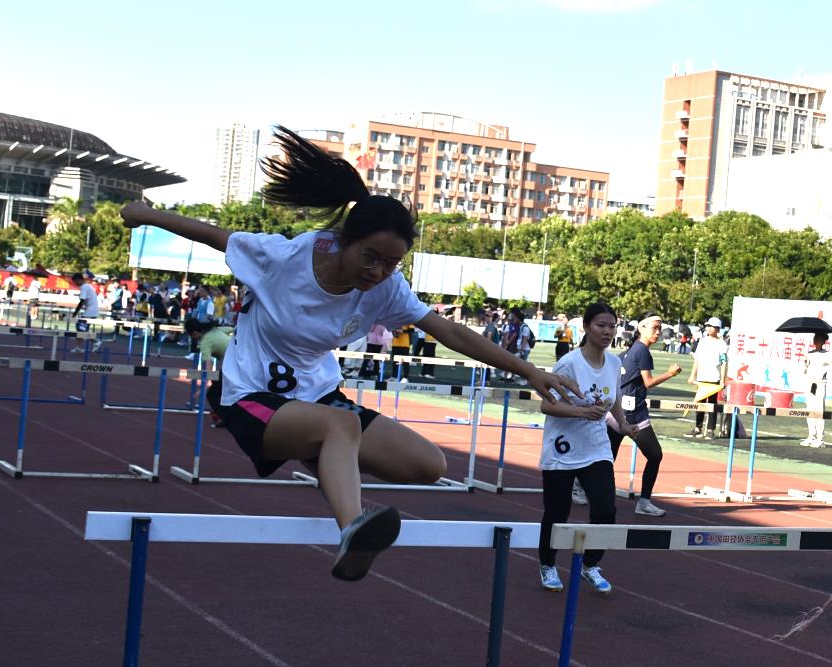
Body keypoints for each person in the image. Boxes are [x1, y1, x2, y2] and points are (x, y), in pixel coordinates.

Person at [119, 125, 578, 582]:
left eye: (391, 263)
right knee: (341, 425)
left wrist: (527, 370)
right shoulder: (282, 258)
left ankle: (325, 457)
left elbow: (450, 331)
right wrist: (146, 214)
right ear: (344, 241)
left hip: (316, 396)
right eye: (370, 257)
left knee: (428, 464)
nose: (377, 272)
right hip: (251, 397)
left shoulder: (387, 288)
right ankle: (352, 530)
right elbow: (212, 234)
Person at [537, 303, 636, 594]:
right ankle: (547, 563)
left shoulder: (614, 363)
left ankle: (590, 565)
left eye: (612, 326)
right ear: (586, 327)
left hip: (596, 447)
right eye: (601, 325)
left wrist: (623, 424)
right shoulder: (569, 363)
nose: (607, 331)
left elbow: (614, 398)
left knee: (605, 510)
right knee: (557, 512)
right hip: (563, 448)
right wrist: (582, 412)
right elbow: (546, 405)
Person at [606, 311, 681, 517]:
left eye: (660, 328)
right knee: (655, 455)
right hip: (632, 416)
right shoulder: (642, 351)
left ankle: (582, 488)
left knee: (606, 458)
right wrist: (670, 373)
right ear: (641, 328)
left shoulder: (629, 351)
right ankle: (644, 502)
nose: (658, 332)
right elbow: (648, 382)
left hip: (616, 413)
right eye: (654, 328)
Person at [185, 318, 234, 428]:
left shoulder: (204, 343)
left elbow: (208, 371)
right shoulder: (214, 329)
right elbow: (232, 329)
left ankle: (226, 418)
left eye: (191, 336)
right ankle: (223, 414)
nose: (192, 339)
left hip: (234, 364)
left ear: (195, 333)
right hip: (240, 358)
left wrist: (201, 390)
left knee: (212, 394)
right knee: (219, 386)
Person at [685, 316, 728, 440]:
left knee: (712, 404)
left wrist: (722, 380)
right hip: (701, 377)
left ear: (717, 329)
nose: (708, 328)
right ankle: (697, 428)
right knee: (700, 402)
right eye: (708, 326)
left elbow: (724, 362)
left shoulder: (722, 344)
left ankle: (710, 430)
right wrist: (692, 375)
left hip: (714, 377)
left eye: (711, 326)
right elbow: (697, 360)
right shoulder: (702, 341)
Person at [802, 332, 831, 447]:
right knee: (809, 409)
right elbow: (805, 370)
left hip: (820, 384)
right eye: (814, 337)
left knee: (819, 410)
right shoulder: (809, 353)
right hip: (810, 384)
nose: (815, 339)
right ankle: (811, 436)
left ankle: (820, 439)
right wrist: (805, 362)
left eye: (818, 338)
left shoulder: (827, 354)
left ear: (823, 341)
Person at [70, 272, 102, 353]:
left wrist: (75, 313)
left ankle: (96, 341)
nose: (75, 283)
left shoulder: (84, 287)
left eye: (75, 281)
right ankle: (79, 347)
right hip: (92, 310)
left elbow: (82, 301)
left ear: (79, 280)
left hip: (90, 311)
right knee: (81, 329)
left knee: (81, 328)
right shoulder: (87, 286)